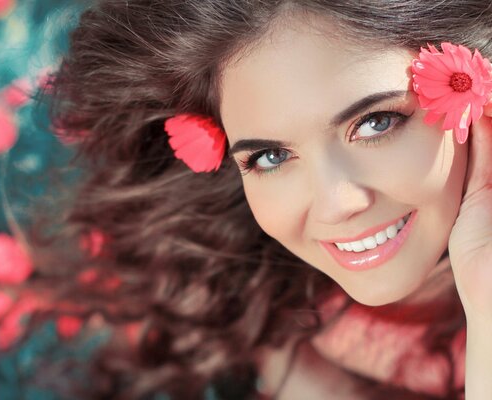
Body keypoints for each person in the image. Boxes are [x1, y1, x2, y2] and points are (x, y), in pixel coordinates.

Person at [37, 0, 492, 398]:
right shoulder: (248, 314)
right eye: (271, 156)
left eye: (377, 123)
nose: (336, 203)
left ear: (472, 84)